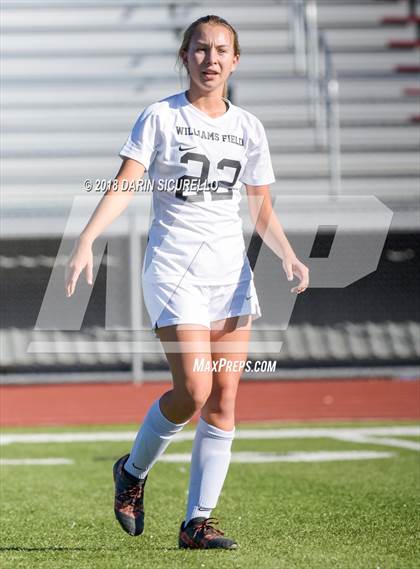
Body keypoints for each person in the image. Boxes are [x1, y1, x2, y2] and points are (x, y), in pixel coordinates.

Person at [65, 14, 309, 550]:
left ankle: (196, 523)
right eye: (200, 49)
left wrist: (288, 255)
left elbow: (260, 205)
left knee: (223, 399)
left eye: (222, 50)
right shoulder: (160, 116)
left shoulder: (249, 127)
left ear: (236, 60)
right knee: (194, 389)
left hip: (230, 275)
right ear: (185, 56)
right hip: (175, 269)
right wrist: (87, 238)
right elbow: (126, 183)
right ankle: (131, 472)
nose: (211, 58)